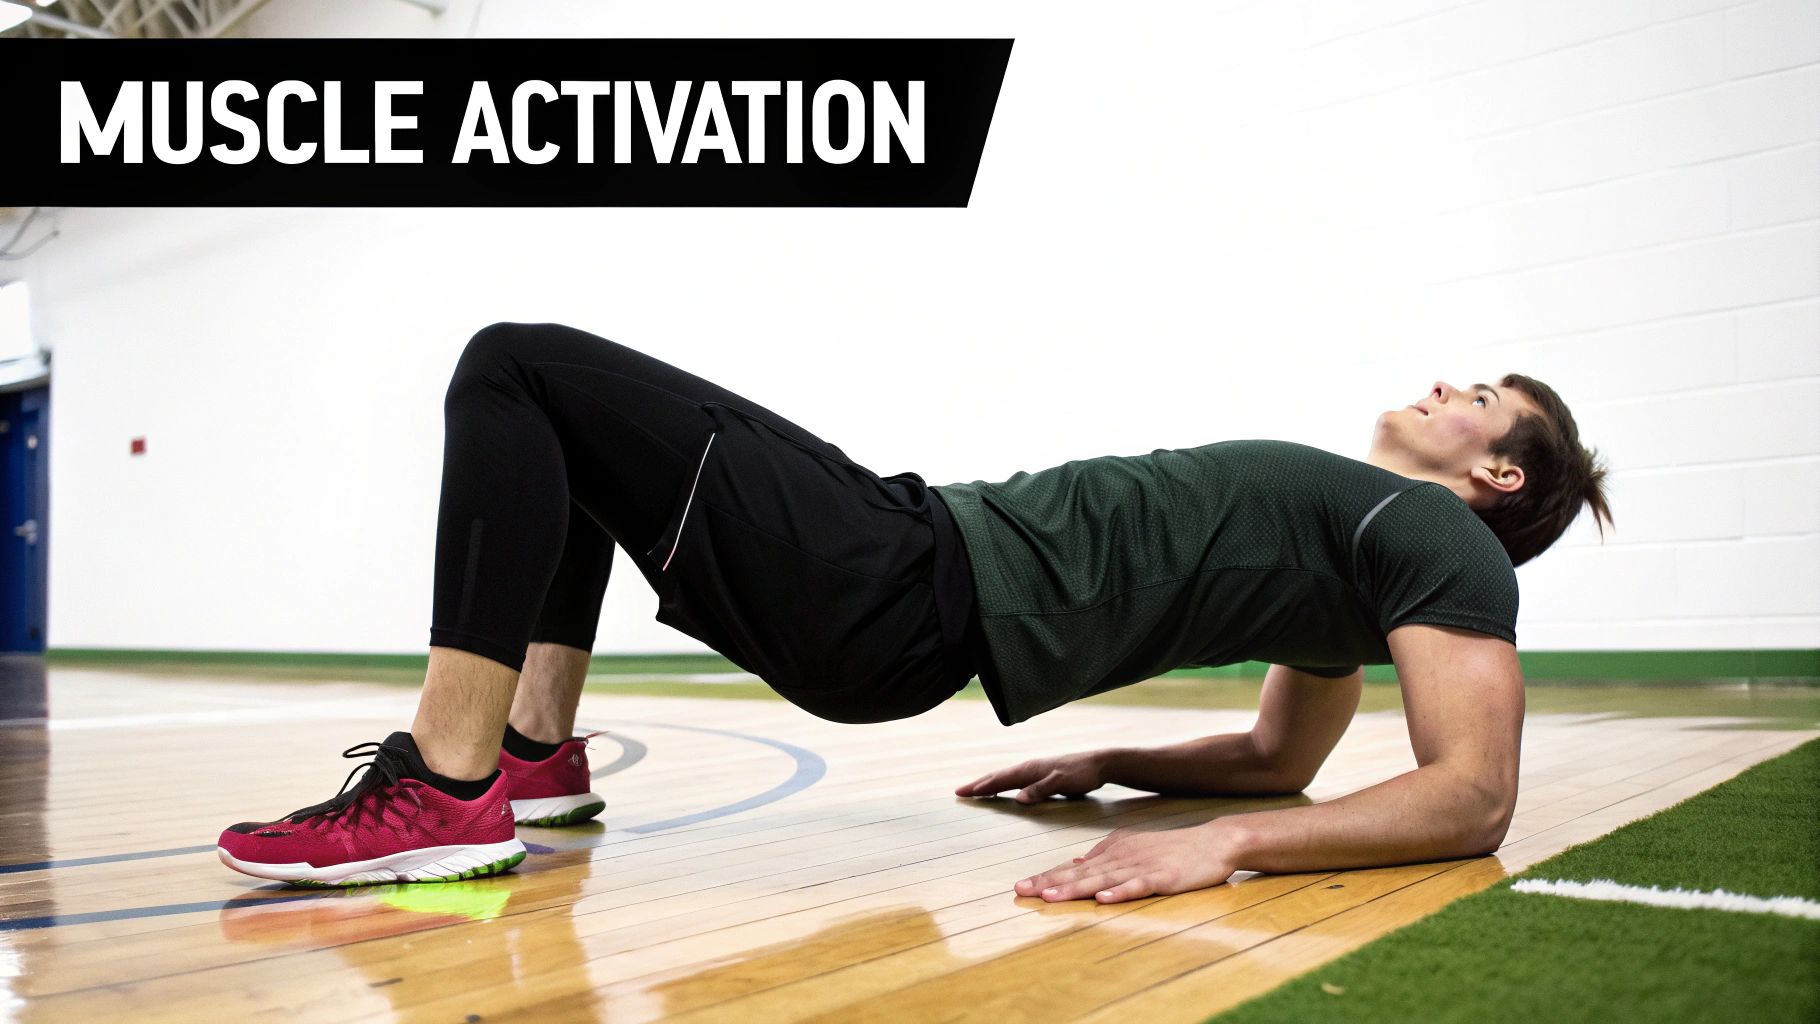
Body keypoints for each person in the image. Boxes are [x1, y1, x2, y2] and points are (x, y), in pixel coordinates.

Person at [216, 322, 1613, 898]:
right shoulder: (1365, 569)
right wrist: (1110, 762)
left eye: (1483, 398)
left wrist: (1227, 849)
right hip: (903, 587)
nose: (1448, 380)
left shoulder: (1440, 547)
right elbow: (1280, 758)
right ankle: (536, 764)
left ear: (1497, 473)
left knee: (511, 367)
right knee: (576, 439)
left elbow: (1471, 796)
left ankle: (451, 791)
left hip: (899, 571)